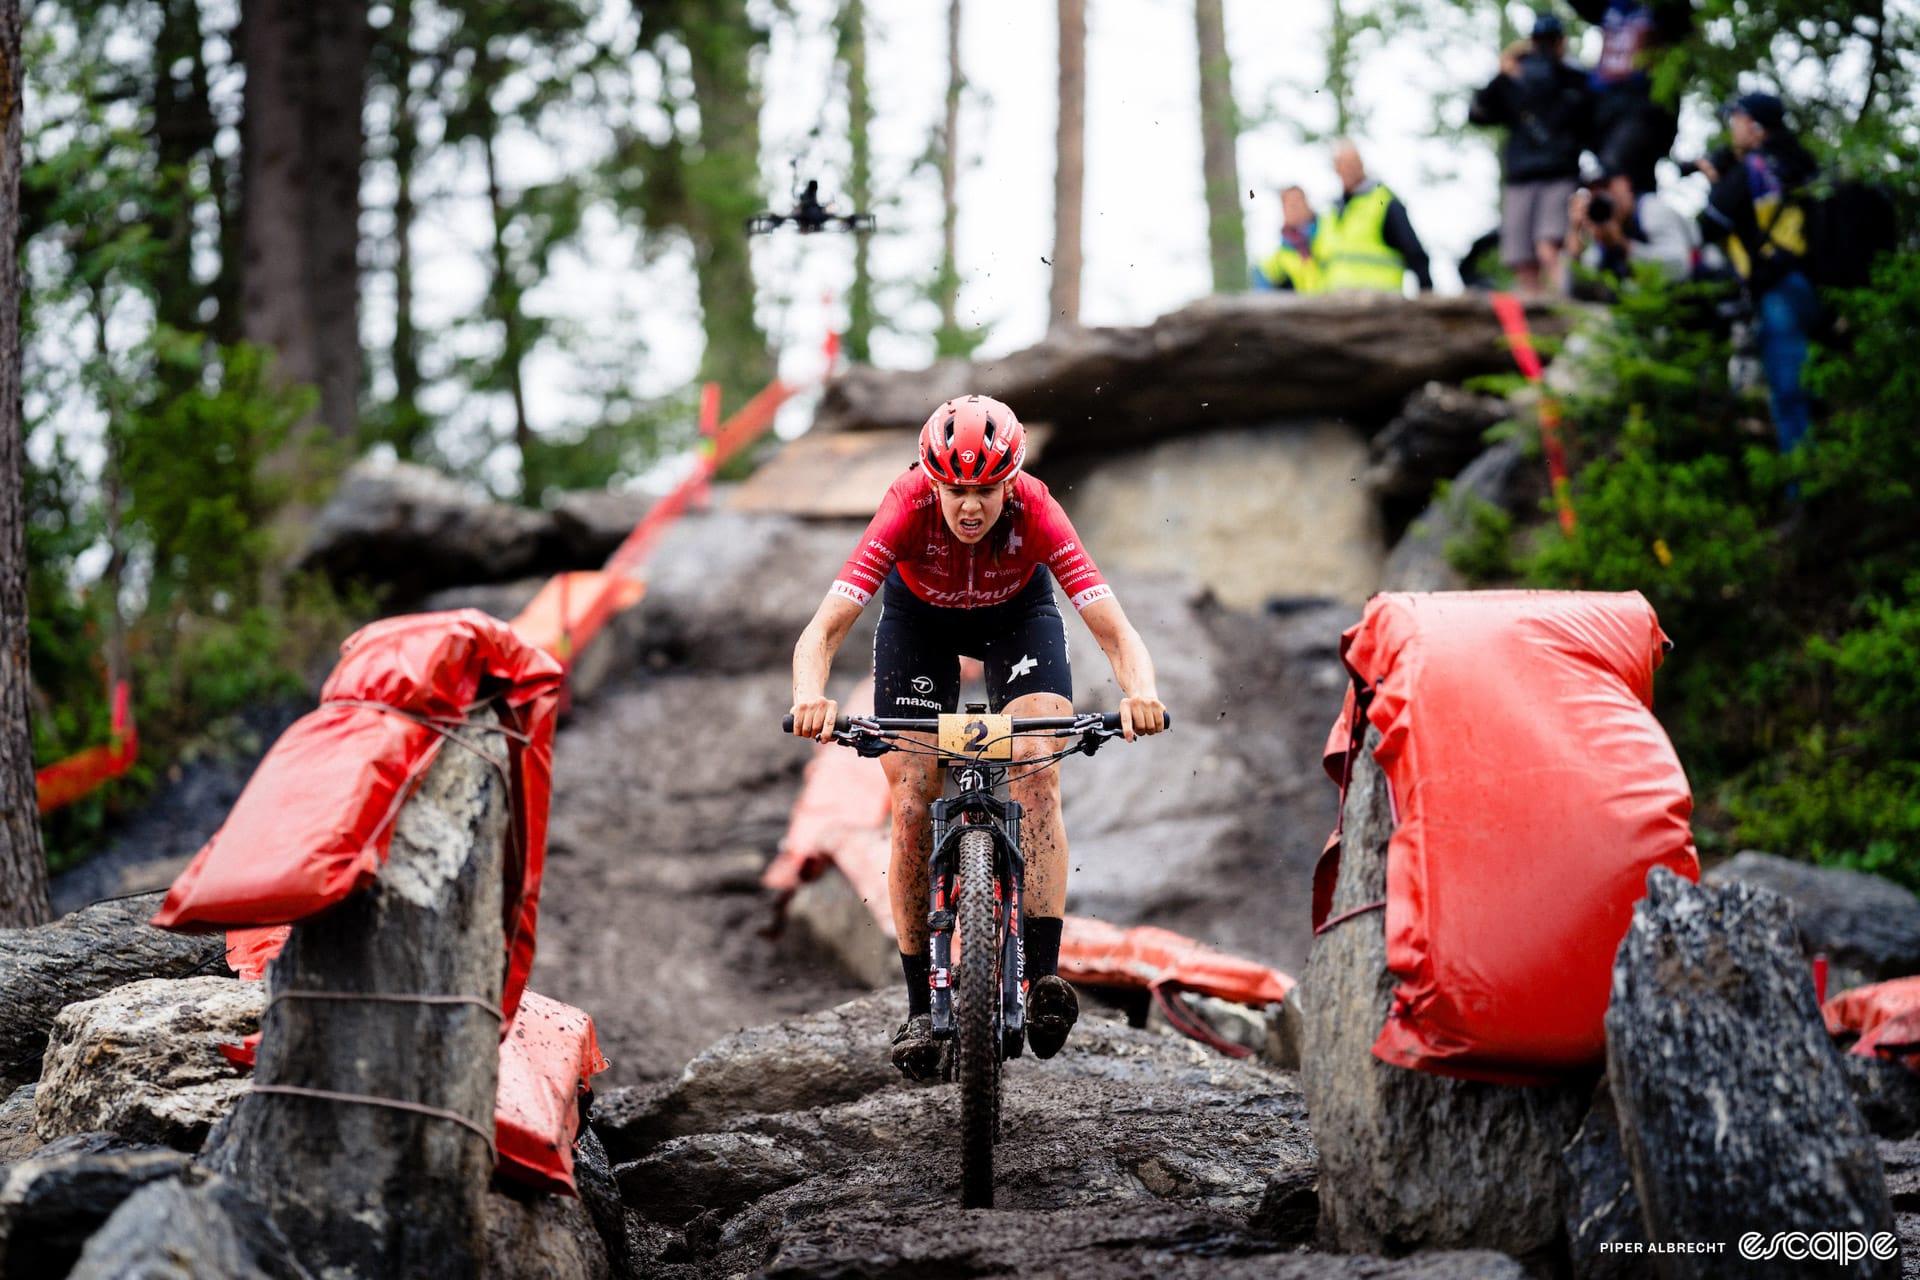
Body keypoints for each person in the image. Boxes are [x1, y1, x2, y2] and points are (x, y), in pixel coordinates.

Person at [787, 395, 1168, 1079]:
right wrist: (808, 698)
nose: (969, 505)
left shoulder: (1038, 509)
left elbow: (1115, 629)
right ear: (932, 481)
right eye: (955, 489)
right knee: (909, 800)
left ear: (1010, 482)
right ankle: (917, 1008)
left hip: (1018, 619)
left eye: (986, 489)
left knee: (1035, 769)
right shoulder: (904, 506)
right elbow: (823, 630)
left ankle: (1045, 980)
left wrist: (1139, 692)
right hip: (918, 626)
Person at [1694, 92, 1820, 454]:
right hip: (1810, 286)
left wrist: (1715, 180)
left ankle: (1803, 492)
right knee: (1804, 385)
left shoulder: (1754, 168)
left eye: (1735, 120)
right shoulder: (1801, 163)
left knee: (1787, 393)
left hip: (1777, 289)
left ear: (1753, 126)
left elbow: (1710, 225)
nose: (1732, 129)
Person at [1468, 13, 1592, 296]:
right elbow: (1478, 114)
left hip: (1558, 175)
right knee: (1522, 260)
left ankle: (1564, 313)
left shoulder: (1573, 78)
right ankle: (1536, 325)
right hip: (1522, 177)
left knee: (1548, 249)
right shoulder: (1515, 79)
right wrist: (1503, 74)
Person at [1568, 0, 1694, 195]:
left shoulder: (1662, 10)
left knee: (1618, 170)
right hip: (1604, 108)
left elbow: (1684, 28)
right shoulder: (1610, 6)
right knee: (1617, 177)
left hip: (1643, 108)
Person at [1315, 141, 1433, 294]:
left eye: (1353, 163)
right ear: (1335, 169)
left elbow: (1415, 253)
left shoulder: (1383, 201)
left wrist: (1428, 296)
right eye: (1343, 164)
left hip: (1380, 308)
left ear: (1362, 165)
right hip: (1335, 309)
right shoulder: (1329, 213)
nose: (1348, 170)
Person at [1561, 166, 1697, 295]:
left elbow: (1680, 268)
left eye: (1606, 186)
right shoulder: (1601, 229)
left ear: (1625, 184)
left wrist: (1622, 246)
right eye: (1592, 191)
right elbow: (1576, 291)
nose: (1601, 195)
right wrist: (1575, 232)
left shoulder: (1651, 209)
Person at [1253, 186, 1324, 293]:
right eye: (1289, 205)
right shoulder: (1276, 262)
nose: (1294, 208)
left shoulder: (1327, 237)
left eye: (1298, 202)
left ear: (1308, 205)